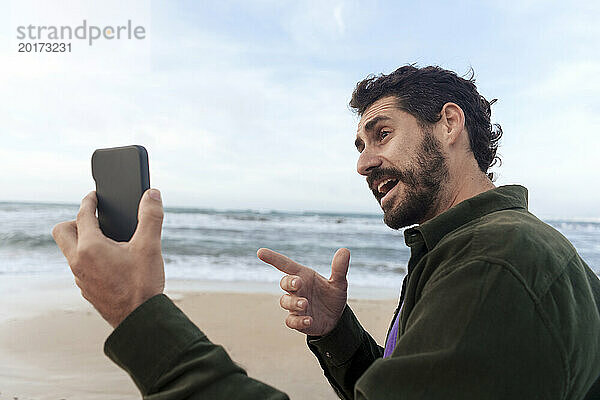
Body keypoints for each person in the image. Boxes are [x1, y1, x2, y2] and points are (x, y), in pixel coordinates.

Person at [52, 65, 600, 399]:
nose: (364, 164)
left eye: (380, 134)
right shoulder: (462, 249)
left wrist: (137, 313)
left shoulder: (496, 262)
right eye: (359, 147)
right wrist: (338, 332)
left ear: (449, 125)